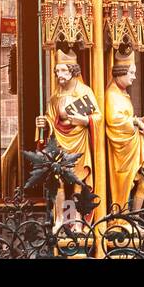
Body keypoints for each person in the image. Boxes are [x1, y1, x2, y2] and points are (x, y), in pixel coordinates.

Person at [38, 50, 100, 226]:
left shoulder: (84, 91)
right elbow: (50, 117)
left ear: (73, 71)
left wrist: (86, 120)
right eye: (57, 71)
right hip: (59, 139)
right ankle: (61, 218)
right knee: (58, 179)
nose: (59, 75)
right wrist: (44, 122)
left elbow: (98, 117)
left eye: (64, 71)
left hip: (79, 139)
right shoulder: (55, 95)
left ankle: (77, 220)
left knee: (77, 180)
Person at [104, 51, 144, 212]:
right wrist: (135, 121)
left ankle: (134, 219)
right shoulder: (111, 94)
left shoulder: (122, 93)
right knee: (125, 185)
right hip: (122, 151)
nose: (134, 77)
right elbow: (114, 120)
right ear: (121, 72)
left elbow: (125, 117)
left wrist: (140, 120)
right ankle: (122, 216)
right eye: (131, 73)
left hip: (133, 146)